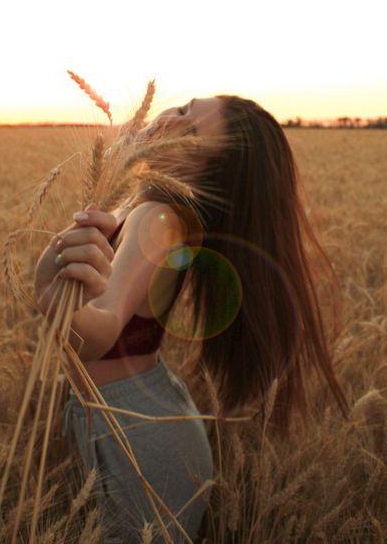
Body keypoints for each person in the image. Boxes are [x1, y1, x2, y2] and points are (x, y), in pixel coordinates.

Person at [34, 95, 348, 543]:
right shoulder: (143, 206)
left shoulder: (156, 216)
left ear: (207, 178)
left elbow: (100, 331)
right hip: (128, 416)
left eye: (192, 132)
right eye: (182, 108)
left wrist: (47, 296)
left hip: (136, 431)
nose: (168, 120)